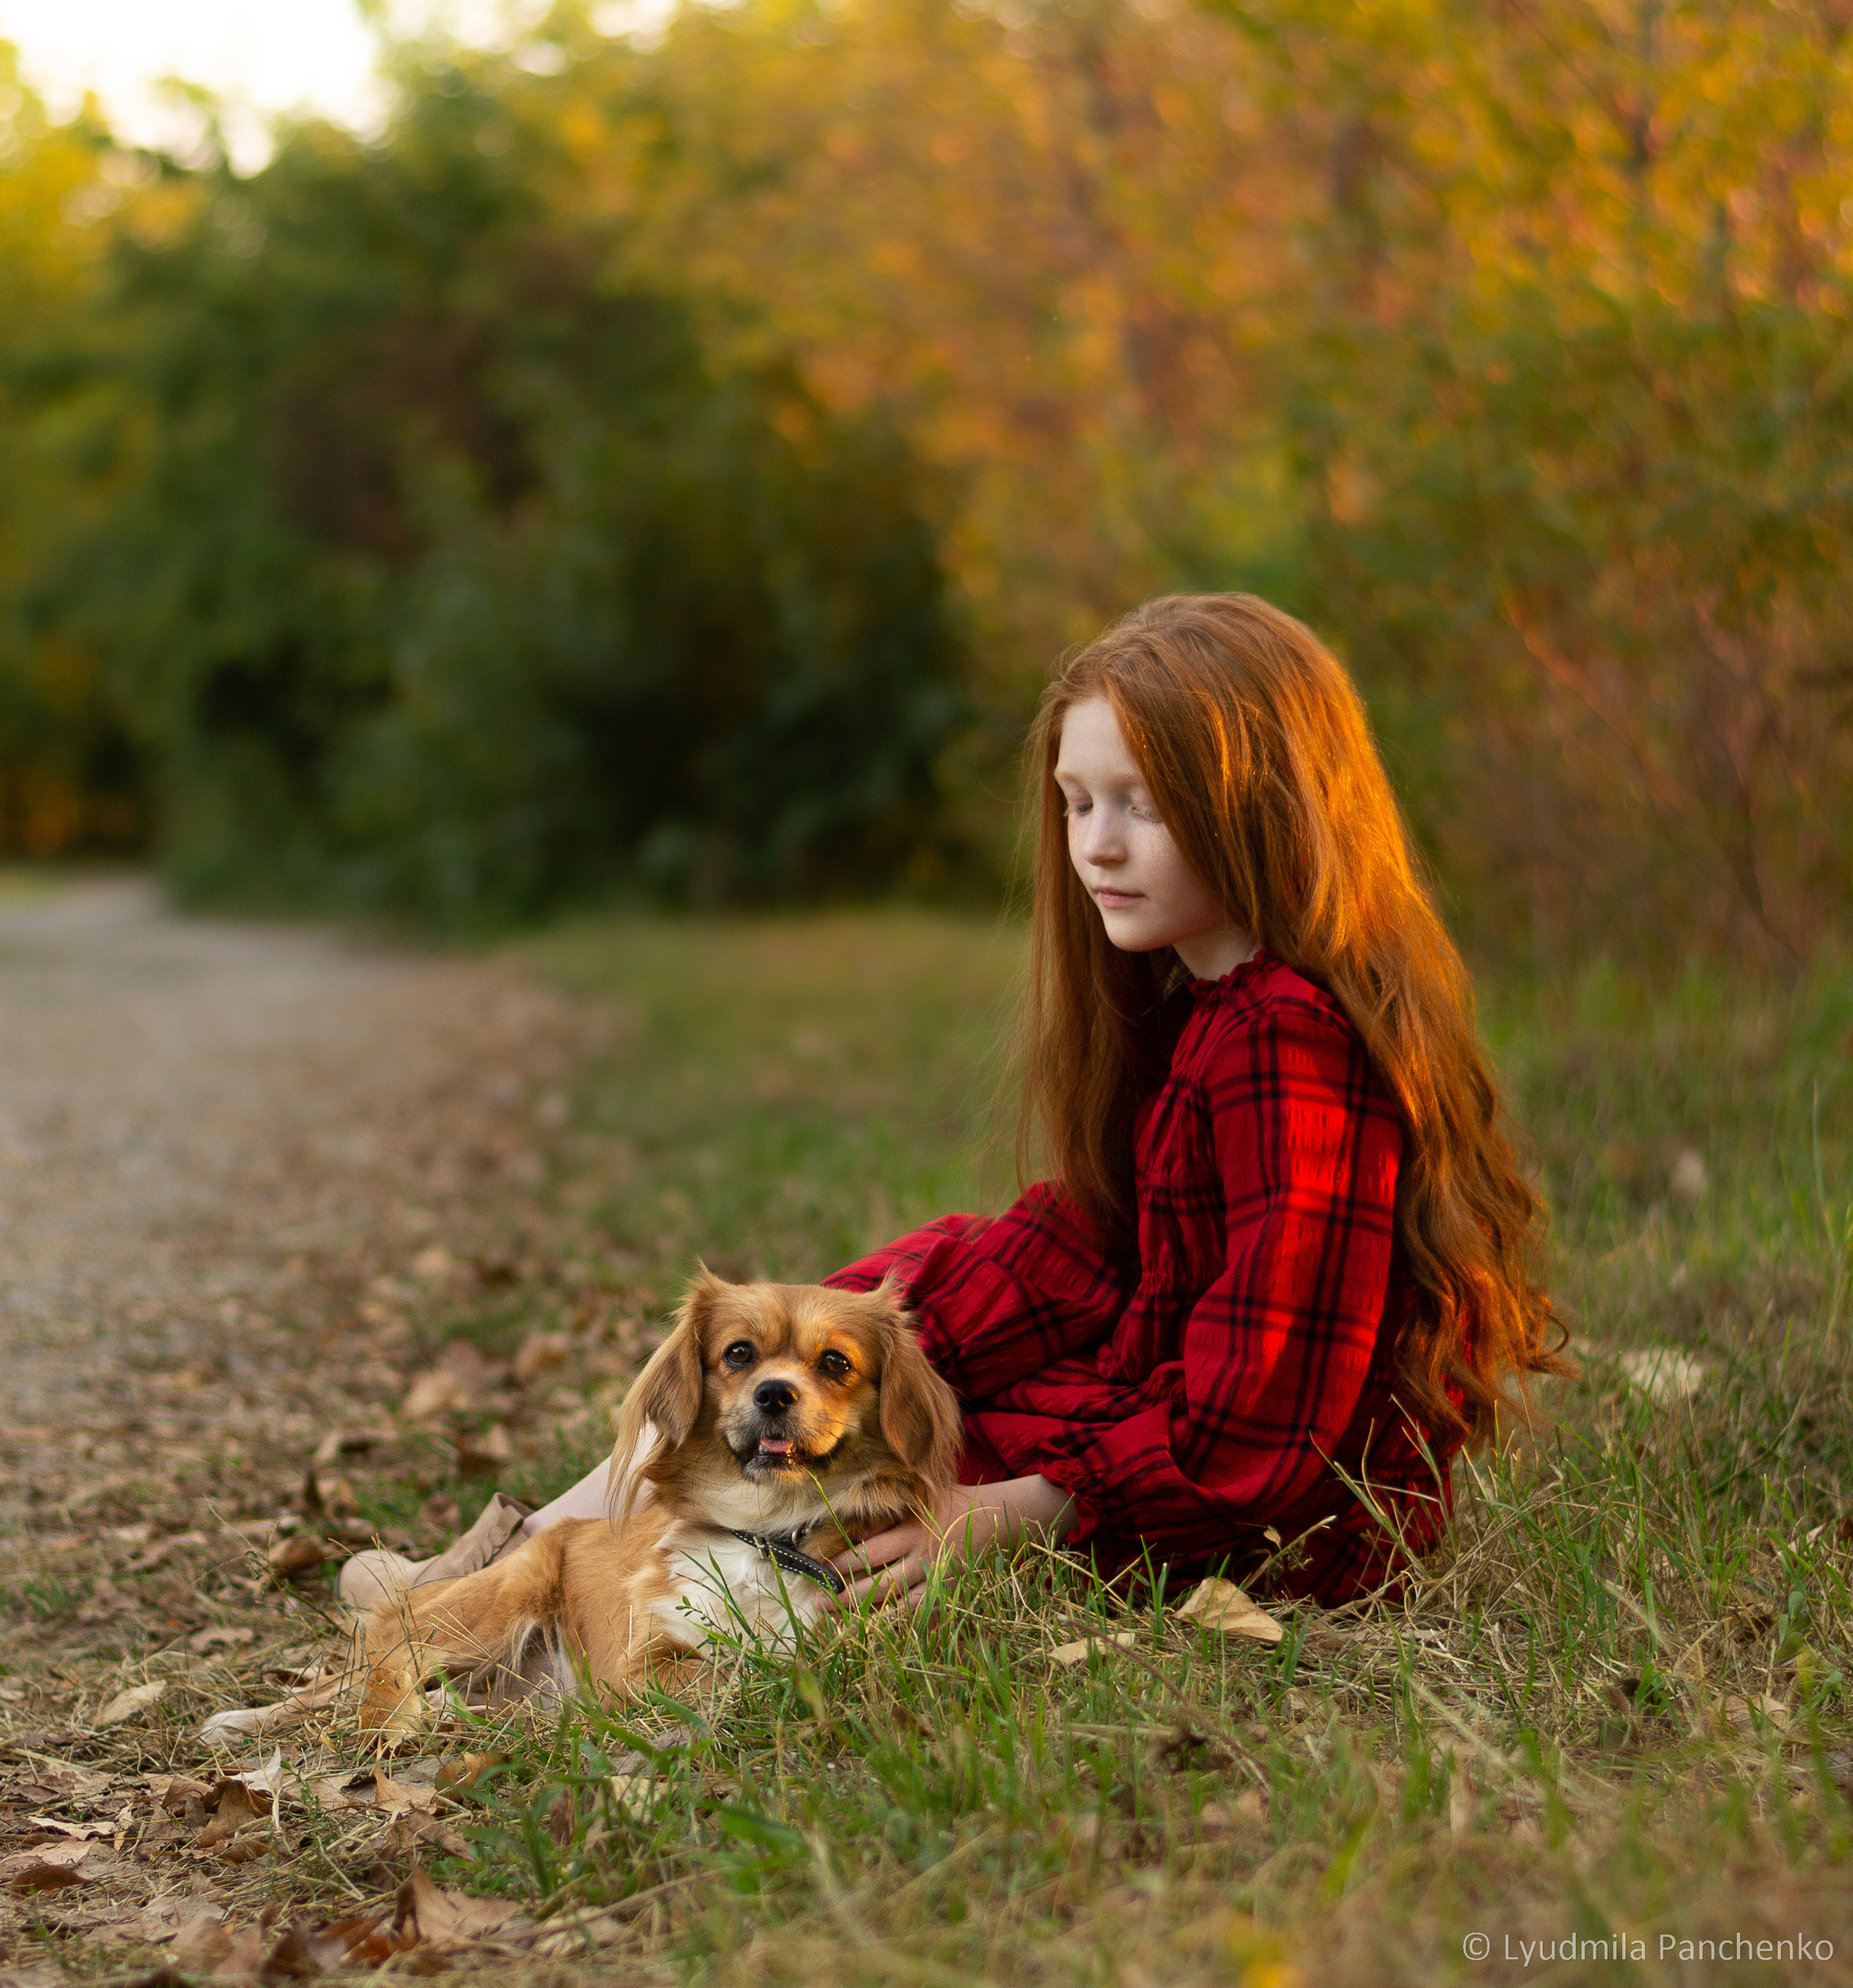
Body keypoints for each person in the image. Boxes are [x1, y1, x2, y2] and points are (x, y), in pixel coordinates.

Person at [346, 593, 1565, 1618]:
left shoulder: (1285, 1048)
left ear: (1260, 802)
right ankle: (542, 1547)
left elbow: (1263, 1413)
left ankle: (532, 1594)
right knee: (888, 1320)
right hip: (1161, 1444)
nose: (1095, 845)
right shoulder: (1205, 1009)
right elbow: (1093, 1248)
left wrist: (1016, 1507)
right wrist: (888, 1322)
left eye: (1140, 802)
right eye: (1077, 802)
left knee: (863, 1457)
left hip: (1253, 1523)